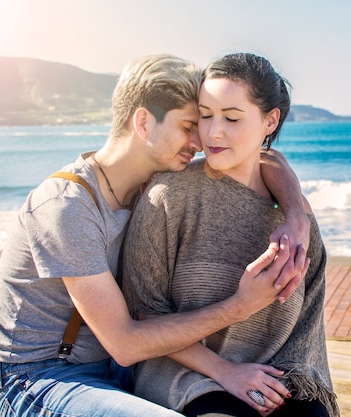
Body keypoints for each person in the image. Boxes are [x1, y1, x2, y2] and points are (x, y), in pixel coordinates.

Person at [0, 53, 312, 417]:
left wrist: (296, 214)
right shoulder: (67, 207)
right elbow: (124, 342)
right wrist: (242, 305)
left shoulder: (146, 185)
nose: (201, 140)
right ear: (143, 123)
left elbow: (266, 158)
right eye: (190, 125)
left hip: (115, 369)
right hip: (38, 376)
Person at [123, 53, 339, 417]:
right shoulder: (168, 198)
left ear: (270, 120)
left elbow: (306, 328)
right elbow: (145, 316)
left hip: (278, 381)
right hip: (184, 379)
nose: (213, 132)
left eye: (232, 118)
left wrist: (287, 385)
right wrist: (228, 373)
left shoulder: (297, 219)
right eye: (205, 115)